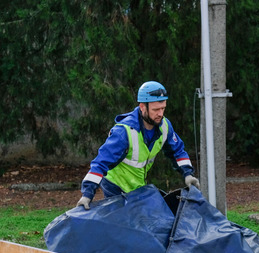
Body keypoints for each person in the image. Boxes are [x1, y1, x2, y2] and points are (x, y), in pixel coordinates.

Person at [76, 81, 199, 209]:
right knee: (122, 225)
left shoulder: (165, 126)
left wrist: (188, 174)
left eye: (163, 108)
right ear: (142, 107)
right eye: (156, 110)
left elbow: (177, 151)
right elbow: (101, 162)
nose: (160, 114)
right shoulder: (124, 132)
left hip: (137, 187)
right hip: (115, 186)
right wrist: (87, 194)